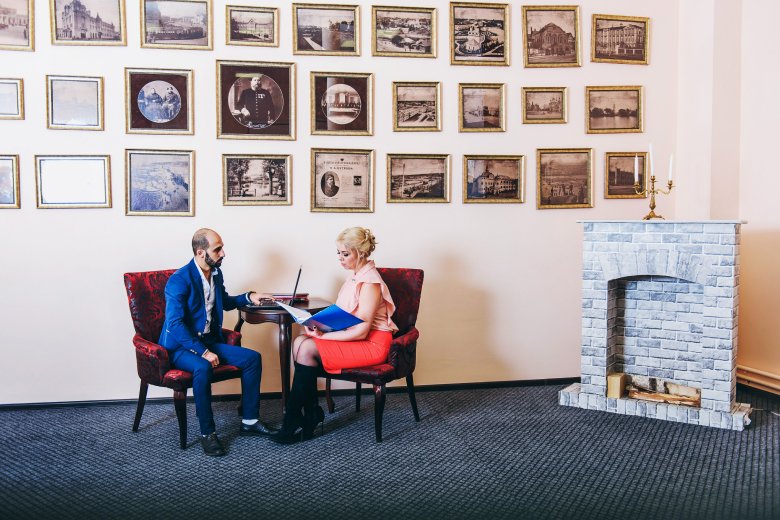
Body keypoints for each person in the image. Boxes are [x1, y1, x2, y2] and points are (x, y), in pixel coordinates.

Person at [270, 227, 398, 444]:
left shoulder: (370, 283)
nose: (340, 258)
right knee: (300, 341)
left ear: (361, 253)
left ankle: (292, 420)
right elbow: (346, 317)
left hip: (372, 344)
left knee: (307, 346)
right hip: (356, 337)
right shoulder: (354, 277)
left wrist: (321, 336)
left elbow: (362, 331)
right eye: (338, 253)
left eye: (345, 254)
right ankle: (309, 413)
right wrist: (319, 327)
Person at [159, 228, 277, 456]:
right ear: (201, 252)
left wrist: (250, 297)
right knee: (203, 367)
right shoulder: (179, 280)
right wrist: (203, 352)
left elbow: (224, 301)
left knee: (252, 359)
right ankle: (207, 433)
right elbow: (174, 324)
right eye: (218, 249)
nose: (223, 253)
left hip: (209, 341)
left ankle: (250, 421)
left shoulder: (215, 273)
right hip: (181, 346)